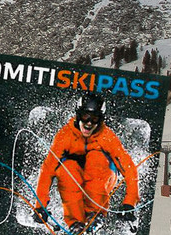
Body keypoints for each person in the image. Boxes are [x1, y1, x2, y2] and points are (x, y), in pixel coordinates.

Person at [33, 93, 138, 233]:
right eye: (85, 117)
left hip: (103, 174)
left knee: (96, 158)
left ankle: (94, 215)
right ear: (78, 115)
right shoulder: (65, 136)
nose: (89, 123)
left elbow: (129, 168)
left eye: (94, 118)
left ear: (100, 120)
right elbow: (48, 170)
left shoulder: (107, 137)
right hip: (74, 176)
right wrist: (40, 205)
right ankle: (76, 222)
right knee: (67, 167)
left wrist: (129, 202)